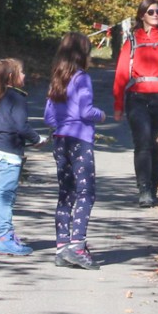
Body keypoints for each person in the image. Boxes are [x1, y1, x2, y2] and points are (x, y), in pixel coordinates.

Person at [113, 0, 158, 207]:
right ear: (142, 15)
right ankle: (144, 190)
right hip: (137, 98)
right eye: (151, 12)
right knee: (142, 143)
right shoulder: (132, 41)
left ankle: (153, 187)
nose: (155, 15)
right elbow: (120, 74)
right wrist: (118, 105)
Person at [44, 32, 106, 270]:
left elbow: (48, 116)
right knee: (86, 192)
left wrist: (62, 123)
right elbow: (85, 111)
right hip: (80, 140)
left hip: (60, 140)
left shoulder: (57, 79)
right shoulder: (81, 78)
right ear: (82, 54)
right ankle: (77, 246)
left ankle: (61, 247)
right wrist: (100, 115)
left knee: (65, 193)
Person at [0, 57, 41, 256]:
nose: (25, 75)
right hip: (9, 155)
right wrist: (37, 139)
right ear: (12, 77)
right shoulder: (17, 98)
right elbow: (22, 126)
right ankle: (5, 236)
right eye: (21, 72)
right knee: (6, 197)